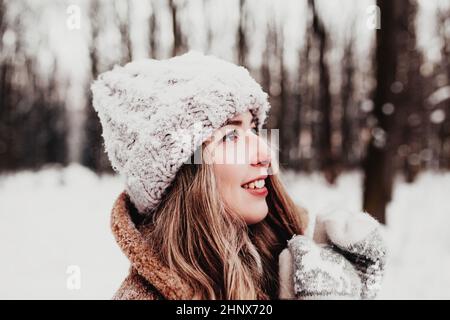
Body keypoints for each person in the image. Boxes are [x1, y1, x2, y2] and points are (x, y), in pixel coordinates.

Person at [91, 51, 386, 300]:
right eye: (230, 136)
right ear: (183, 175)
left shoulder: (296, 263)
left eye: (253, 129)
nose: (266, 156)